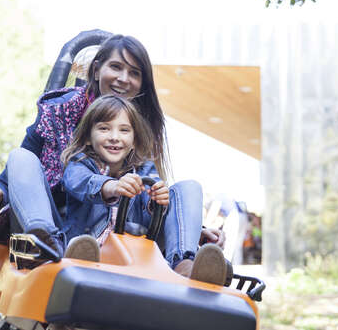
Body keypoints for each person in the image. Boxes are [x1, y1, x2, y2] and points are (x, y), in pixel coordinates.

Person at [0, 34, 226, 280]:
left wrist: (182, 222)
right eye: (116, 67)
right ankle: (45, 243)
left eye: (134, 73)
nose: (123, 79)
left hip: (130, 240)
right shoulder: (76, 147)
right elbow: (70, 178)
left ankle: (184, 263)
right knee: (20, 157)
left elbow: (155, 197)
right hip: (68, 227)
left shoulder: (141, 143)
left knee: (188, 187)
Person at [60, 95, 229, 284]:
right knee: (86, 240)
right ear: (88, 137)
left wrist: (158, 199)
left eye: (124, 130)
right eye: (104, 129)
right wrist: (112, 186)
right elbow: (80, 182)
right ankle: (83, 257)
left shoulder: (144, 170)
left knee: (189, 186)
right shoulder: (79, 164)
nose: (115, 137)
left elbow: (154, 201)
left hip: (136, 256)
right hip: (90, 251)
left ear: (133, 141)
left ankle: (184, 264)